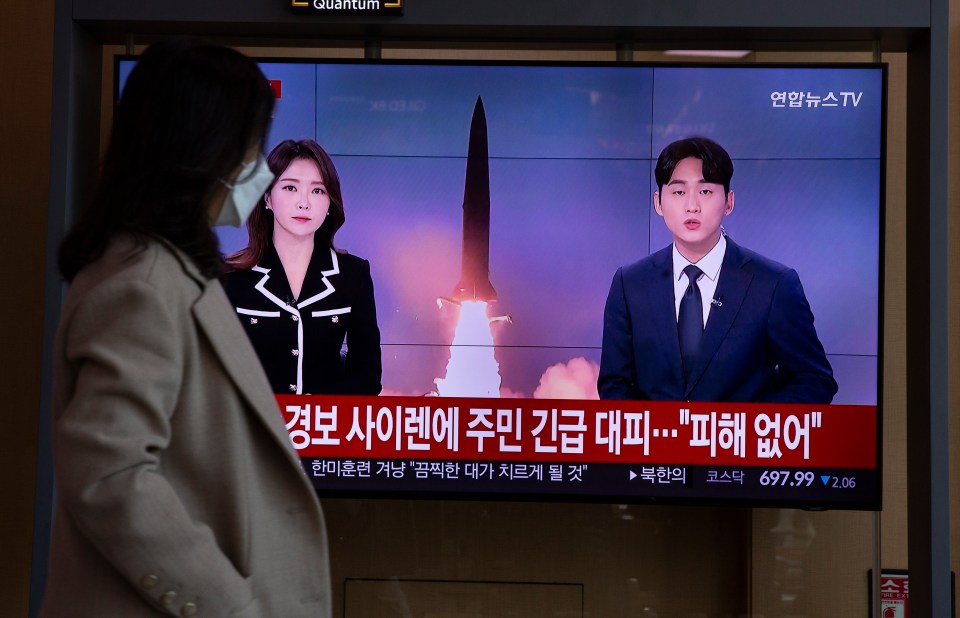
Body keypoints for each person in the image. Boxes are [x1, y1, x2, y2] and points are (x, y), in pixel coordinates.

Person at [41, 38, 332, 617]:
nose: (257, 167)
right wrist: (231, 606)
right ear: (208, 146)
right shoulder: (142, 285)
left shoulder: (169, 273)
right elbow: (112, 477)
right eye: (252, 144)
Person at [598, 136, 837, 403]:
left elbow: (814, 380)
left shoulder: (773, 285)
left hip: (739, 441)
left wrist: (747, 428)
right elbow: (615, 383)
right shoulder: (630, 285)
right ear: (658, 203)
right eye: (678, 192)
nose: (692, 206)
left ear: (728, 202)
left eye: (705, 191)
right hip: (657, 443)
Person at [223, 139, 382, 396]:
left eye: (318, 191)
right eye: (290, 188)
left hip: (327, 430)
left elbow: (367, 377)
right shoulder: (231, 278)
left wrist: (316, 411)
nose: (304, 203)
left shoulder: (353, 275)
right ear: (267, 198)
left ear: (330, 203)